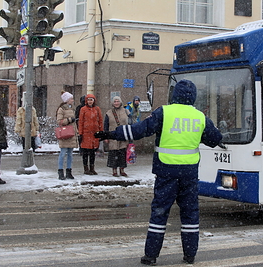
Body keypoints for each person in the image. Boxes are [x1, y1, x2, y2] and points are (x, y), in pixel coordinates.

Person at [95, 80, 223, 265]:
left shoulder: (164, 112)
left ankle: (151, 255)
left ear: (174, 95)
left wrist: (112, 134)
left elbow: (140, 130)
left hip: (166, 171)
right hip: (189, 174)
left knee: (160, 213)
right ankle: (190, 255)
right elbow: (215, 139)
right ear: (193, 97)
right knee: (190, 214)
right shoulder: (200, 117)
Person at [103, 96, 131, 177]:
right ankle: (114, 170)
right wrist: (106, 136)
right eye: (115, 101)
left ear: (120, 102)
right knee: (113, 153)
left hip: (123, 135)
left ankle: (122, 169)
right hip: (113, 135)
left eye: (117, 101)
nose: (116, 103)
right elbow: (106, 125)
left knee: (122, 153)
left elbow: (131, 123)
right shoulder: (108, 113)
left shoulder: (126, 112)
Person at [78, 94, 103, 175]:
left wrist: (101, 132)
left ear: (94, 101)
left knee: (92, 152)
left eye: (91, 100)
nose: (90, 101)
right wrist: (80, 133)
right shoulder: (83, 109)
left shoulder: (97, 109)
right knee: (85, 152)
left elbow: (100, 121)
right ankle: (86, 168)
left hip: (94, 134)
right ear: (86, 101)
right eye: (88, 100)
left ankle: (92, 168)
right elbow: (81, 122)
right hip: (86, 134)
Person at [56, 91, 78, 180]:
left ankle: (69, 171)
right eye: (71, 99)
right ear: (67, 100)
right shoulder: (61, 109)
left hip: (71, 133)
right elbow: (59, 121)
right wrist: (69, 120)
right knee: (62, 153)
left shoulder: (72, 108)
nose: (72, 100)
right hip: (65, 134)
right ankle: (60, 171)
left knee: (70, 154)